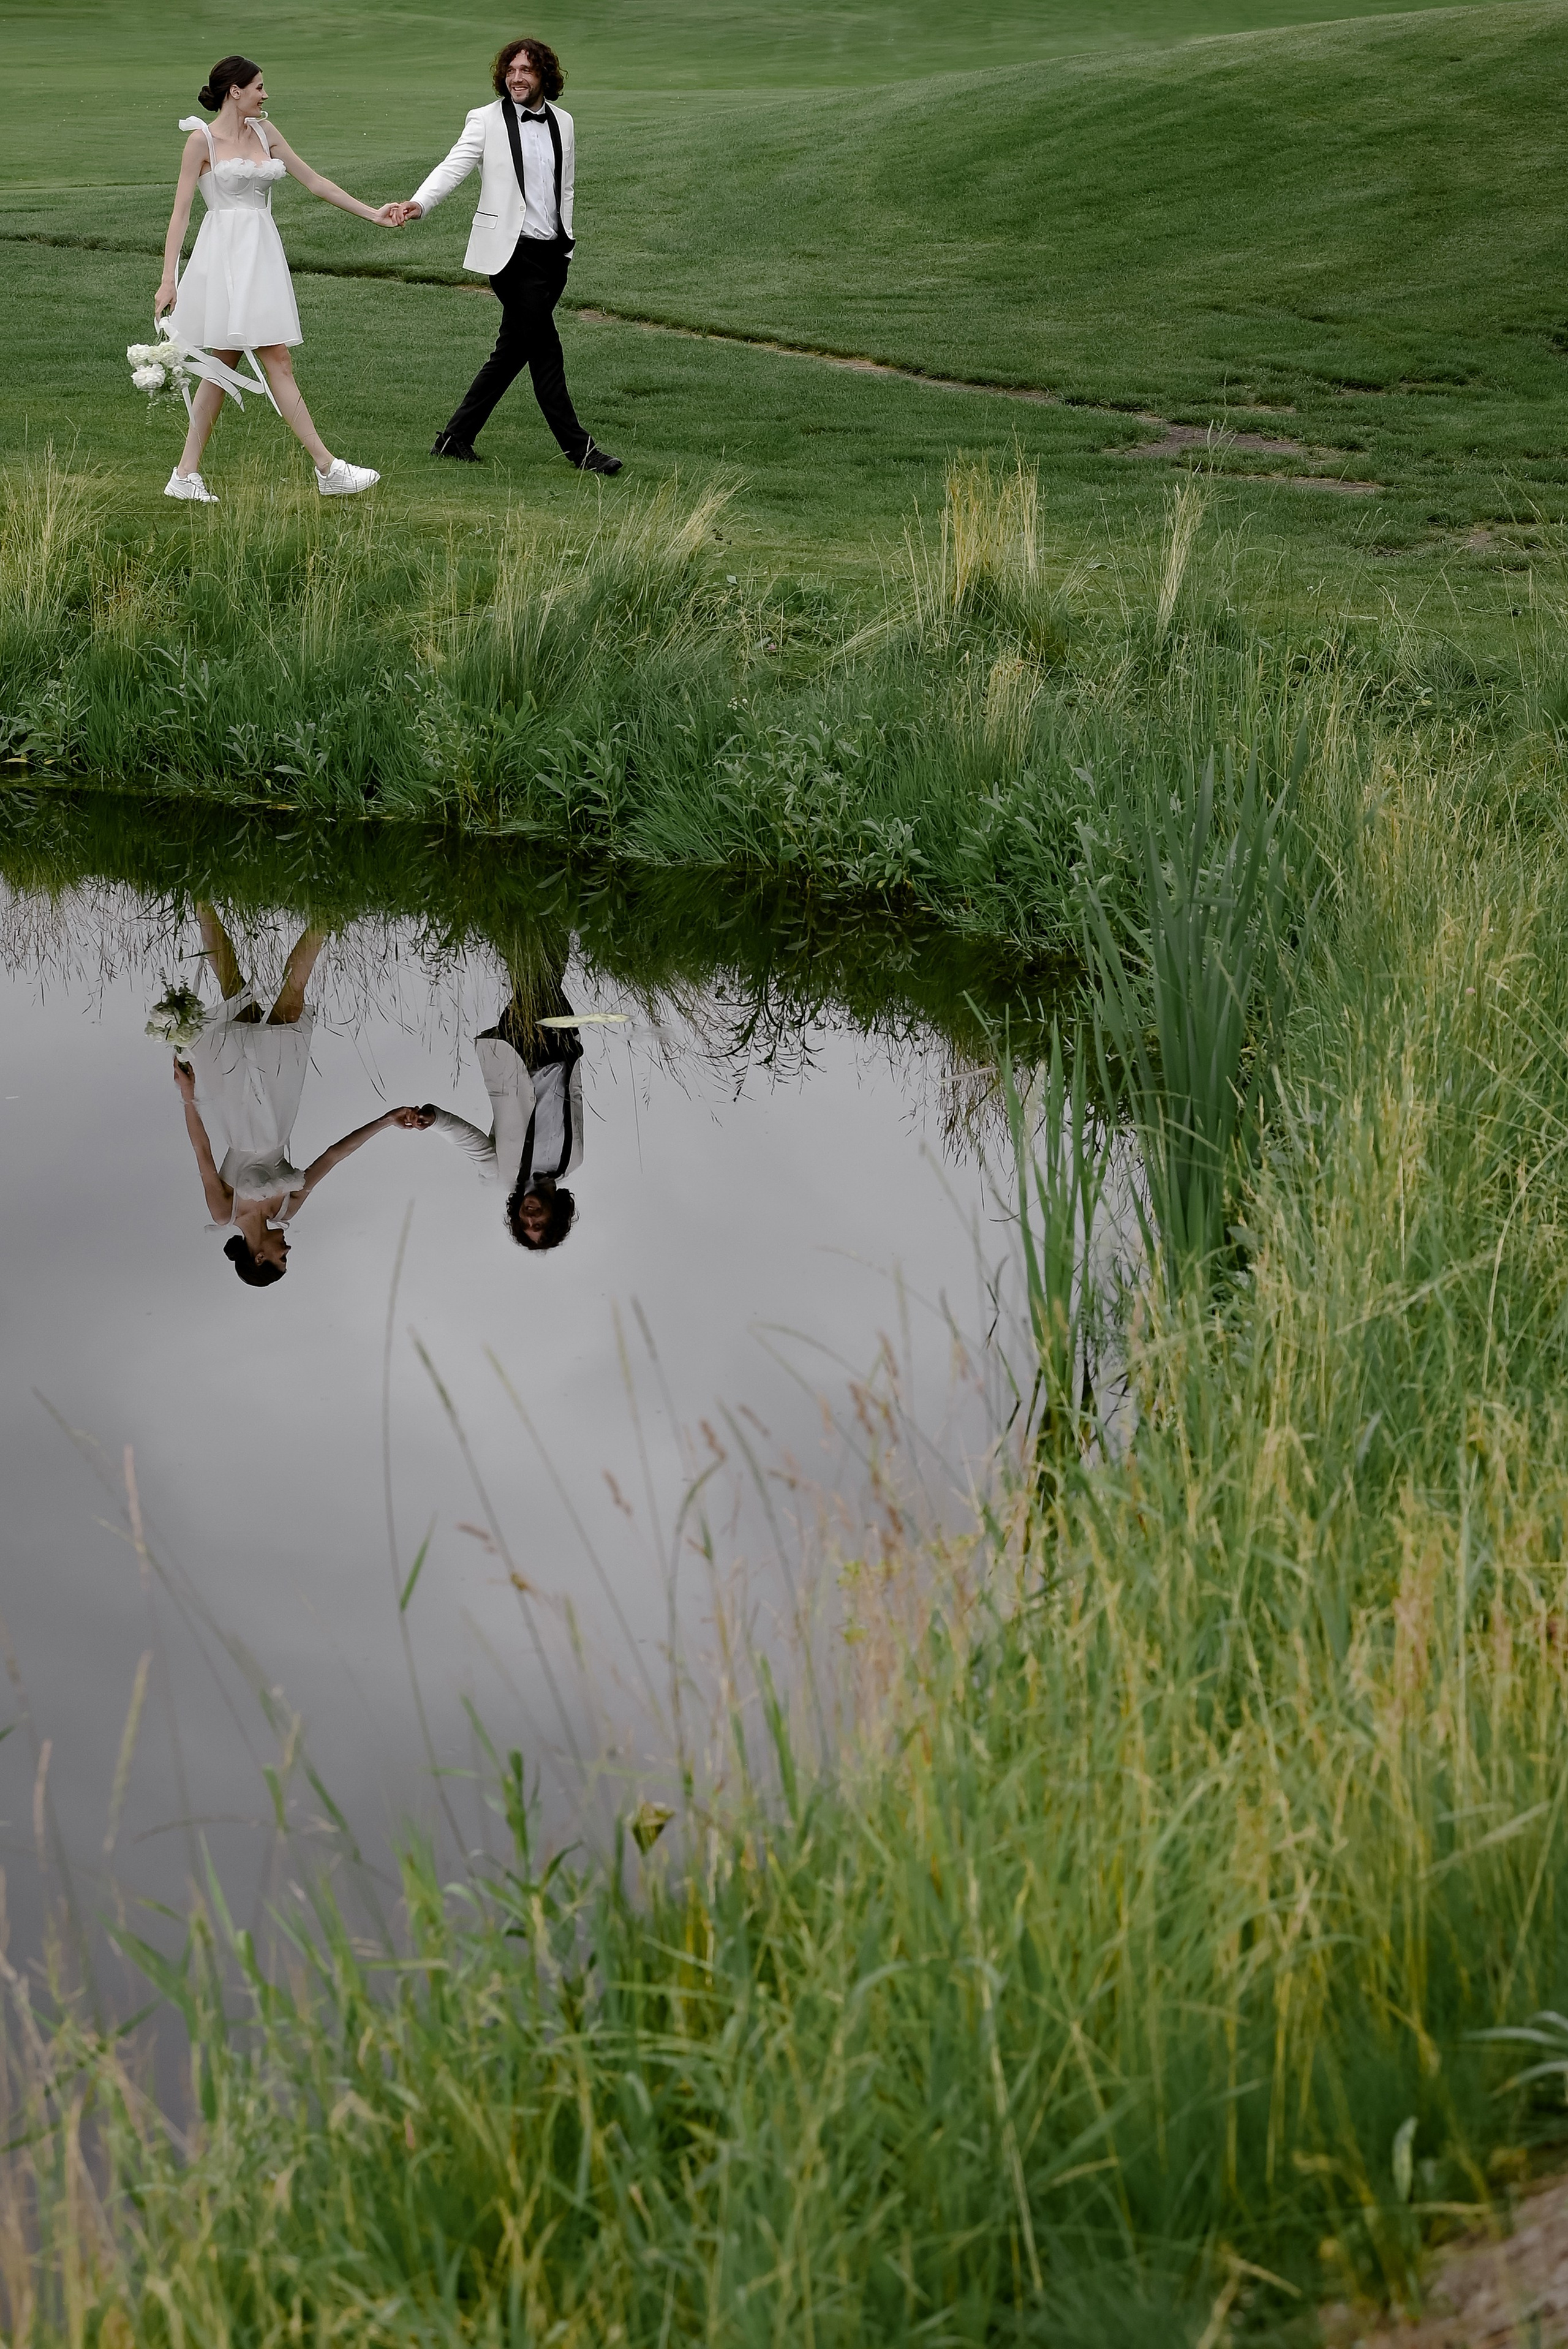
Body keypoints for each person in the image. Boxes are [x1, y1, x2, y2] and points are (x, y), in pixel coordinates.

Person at [155, 54, 402, 503]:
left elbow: (315, 182)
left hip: (262, 256)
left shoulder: (266, 132)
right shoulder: (200, 142)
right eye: (258, 87)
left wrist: (373, 215)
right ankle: (328, 468)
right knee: (275, 359)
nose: (265, 95)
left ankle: (185, 474)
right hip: (222, 258)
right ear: (235, 91)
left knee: (222, 364)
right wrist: (168, 280)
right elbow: (181, 214)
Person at [387, 38, 621, 476]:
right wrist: (420, 203)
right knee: (546, 350)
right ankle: (582, 451)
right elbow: (453, 166)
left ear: (544, 77)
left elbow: (564, 187)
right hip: (510, 257)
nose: (517, 77)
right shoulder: (484, 120)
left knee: (512, 351)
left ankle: (455, 439)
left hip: (553, 255)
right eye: (511, 69)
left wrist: (567, 242)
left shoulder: (564, 123)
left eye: (527, 70)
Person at [173, 905, 432, 1286]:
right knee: (293, 998)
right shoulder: (286, 1209)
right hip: (279, 1100)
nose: (288, 1252)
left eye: (282, 1260)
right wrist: (386, 1121)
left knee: (233, 986)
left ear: (260, 1258)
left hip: (237, 1101)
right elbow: (332, 1158)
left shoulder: (223, 1212)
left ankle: (201, 898)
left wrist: (187, 1094)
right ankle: (329, 909)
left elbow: (203, 1153)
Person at [423, 966, 585, 1250]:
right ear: (556, 1216)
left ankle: (523, 931)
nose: (530, 1219)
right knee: (548, 976)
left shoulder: (502, 1175)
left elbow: (468, 1141)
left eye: (525, 1225)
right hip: (562, 1047)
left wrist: (435, 1119)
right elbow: (574, 1100)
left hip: (518, 1054)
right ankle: (537, 929)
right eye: (539, 1225)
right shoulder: (573, 1161)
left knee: (530, 979)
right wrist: (575, 1048)